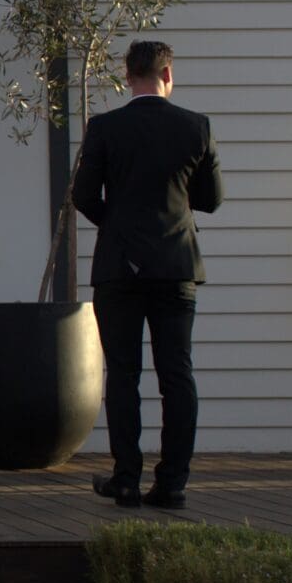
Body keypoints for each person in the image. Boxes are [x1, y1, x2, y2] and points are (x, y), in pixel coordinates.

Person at [75, 40, 224, 510]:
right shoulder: (195, 126)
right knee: (177, 372)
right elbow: (211, 199)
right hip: (176, 265)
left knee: (123, 373)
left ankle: (126, 478)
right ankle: (173, 481)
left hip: (118, 268)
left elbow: (82, 194)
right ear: (167, 73)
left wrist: (119, 227)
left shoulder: (105, 127)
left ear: (128, 75)